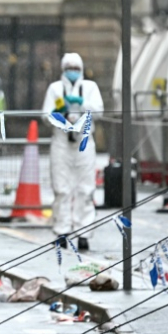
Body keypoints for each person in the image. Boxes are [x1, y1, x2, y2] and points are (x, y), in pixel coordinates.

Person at [42, 52, 104, 251]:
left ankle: (84, 233)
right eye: (69, 68)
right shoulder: (55, 89)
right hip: (61, 140)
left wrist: (81, 104)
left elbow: (99, 111)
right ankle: (62, 231)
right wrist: (60, 114)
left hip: (83, 140)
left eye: (76, 68)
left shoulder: (90, 88)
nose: (72, 72)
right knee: (61, 188)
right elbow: (45, 115)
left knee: (85, 189)